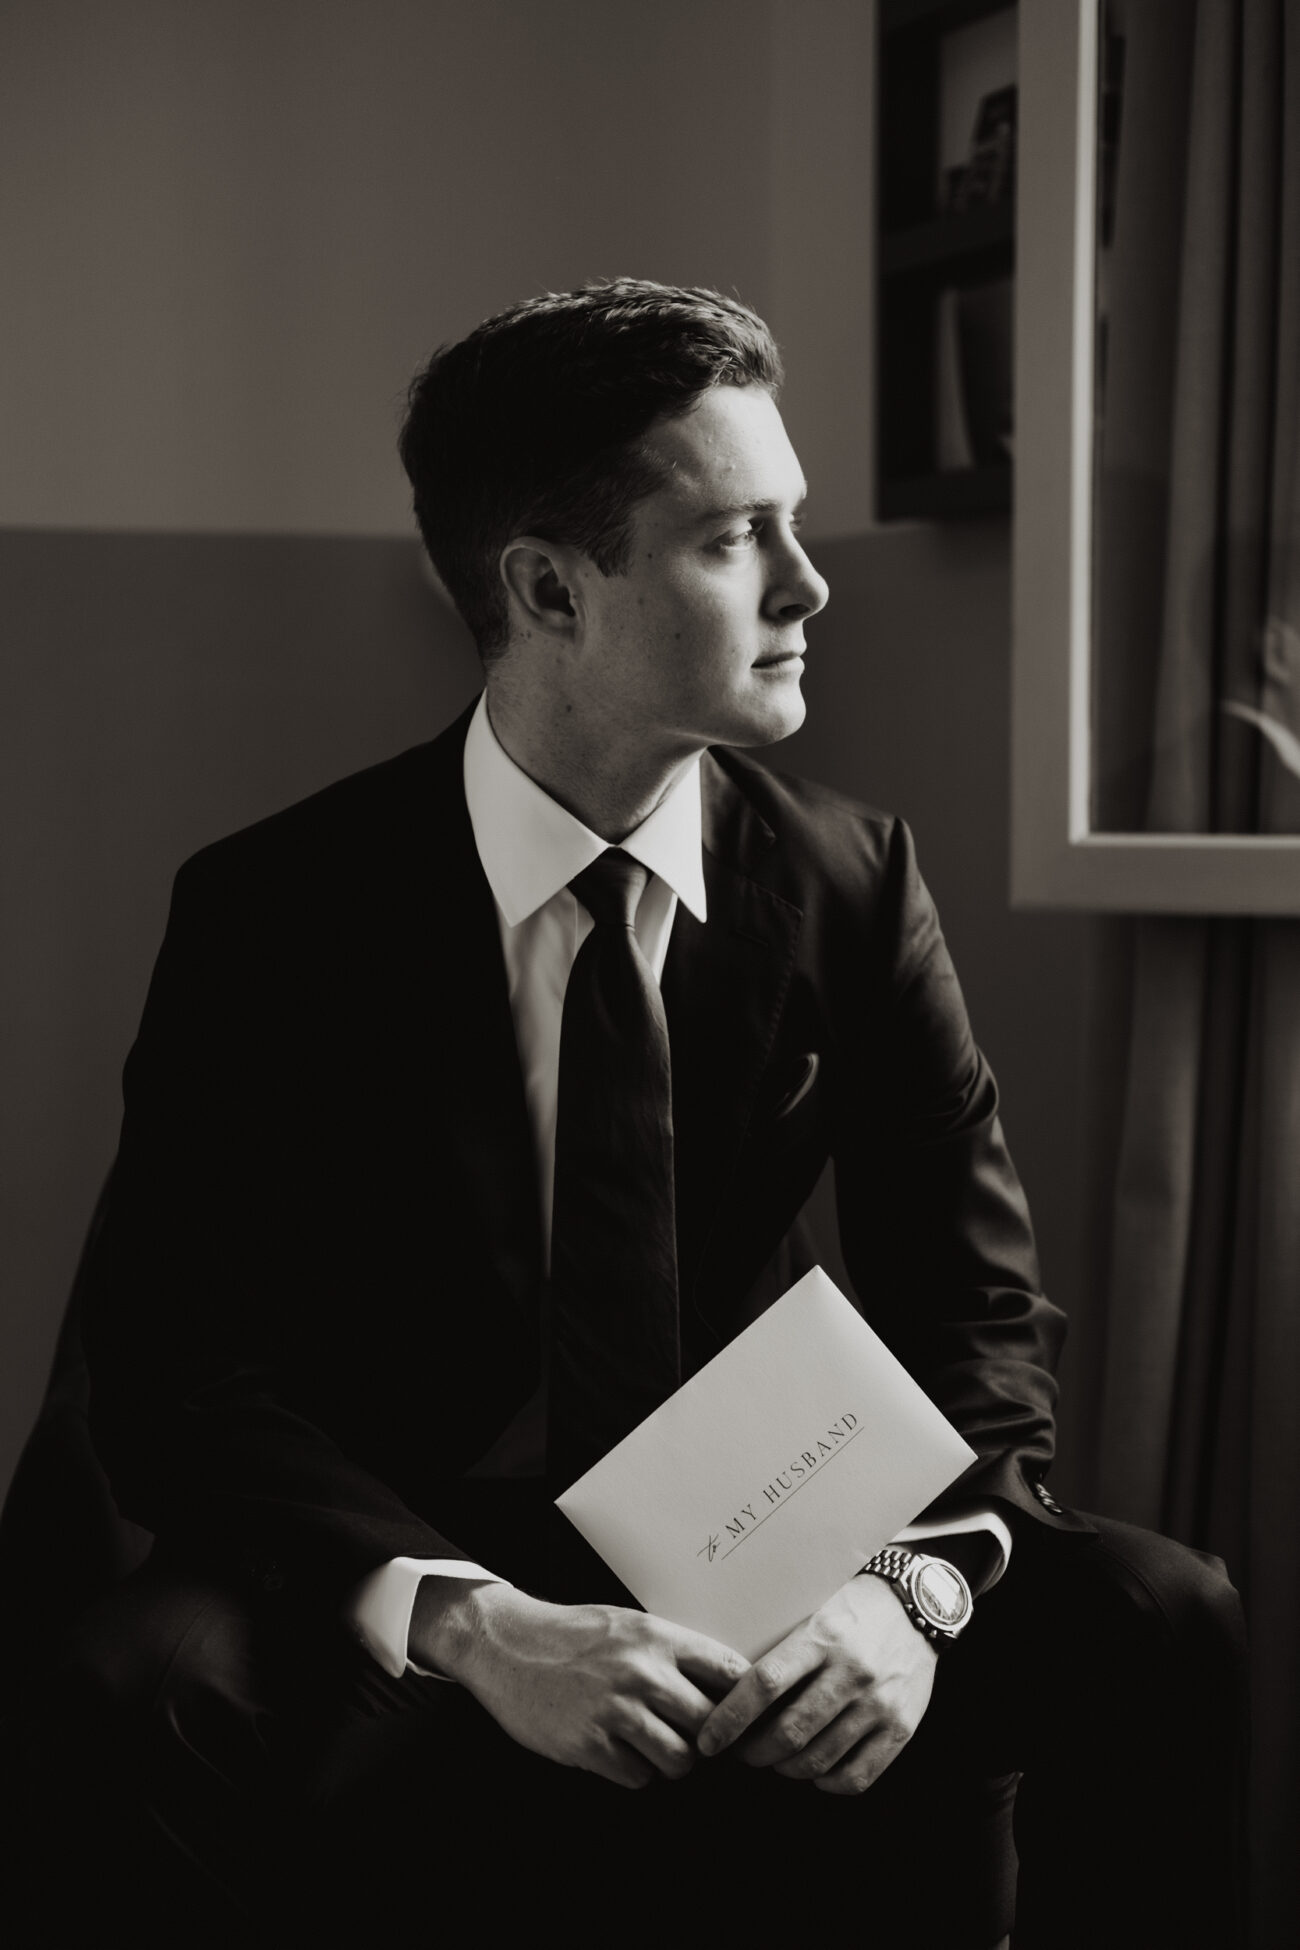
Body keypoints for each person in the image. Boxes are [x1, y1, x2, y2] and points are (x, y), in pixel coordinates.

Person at [29, 281, 1244, 1946]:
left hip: (772, 1545)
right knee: (138, 1685)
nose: (813, 586)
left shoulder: (849, 880)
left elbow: (975, 1313)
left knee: (1161, 1607)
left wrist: (914, 1591)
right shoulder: (274, 910)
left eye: (796, 523)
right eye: (738, 537)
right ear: (547, 587)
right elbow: (176, 1369)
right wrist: (473, 1621)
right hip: (416, 1542)